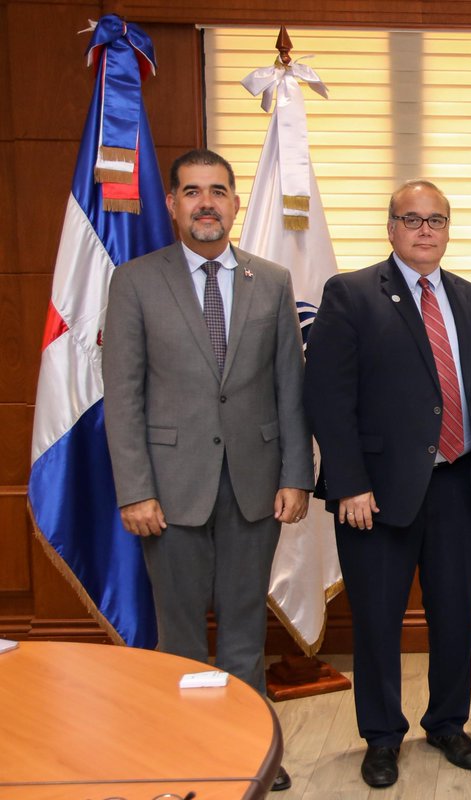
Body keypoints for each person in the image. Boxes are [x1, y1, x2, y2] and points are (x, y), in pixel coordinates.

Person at [103, 148, 312, 792]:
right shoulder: (136, 280)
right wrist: (135, 489)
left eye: (218, 191)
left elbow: (289, 388)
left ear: (235, 203)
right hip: (170, 490)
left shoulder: (271, 280)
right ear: (171, 203)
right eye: (192, 192)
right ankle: (189, 754)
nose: (206, 204)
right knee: (183, 635)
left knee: (247, 633)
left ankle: (252, 756)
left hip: (256, 484)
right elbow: (123, 395)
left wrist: (296, 475)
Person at [302, 180, 471, 788]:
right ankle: (382, 736)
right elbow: (327, 398)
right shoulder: (351, 293)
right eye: (411, 219)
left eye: (435, 220)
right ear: (391, 228)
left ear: (447, 229)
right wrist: (349, 484)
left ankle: (447, 722)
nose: (424, 230)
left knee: (455, 616)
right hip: (377, 494)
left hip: (460, 486)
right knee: (379, 621)